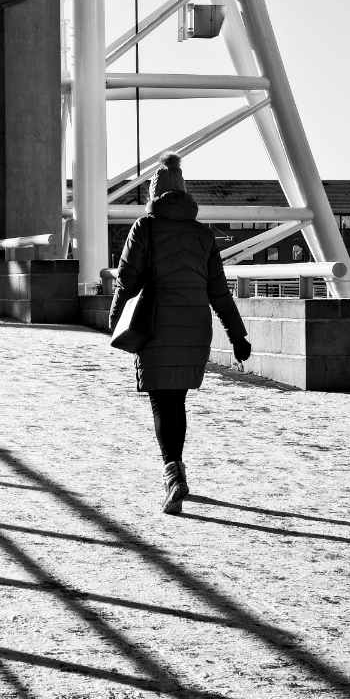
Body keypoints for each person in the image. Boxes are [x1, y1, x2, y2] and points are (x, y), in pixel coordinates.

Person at [109, 154, 254, 514]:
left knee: (161, 401)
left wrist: (114, 318)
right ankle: (178, 469)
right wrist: (238, 336)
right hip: (194, 329)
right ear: (184, 192)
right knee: (178, 401)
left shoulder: (146, 227)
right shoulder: (203, 235)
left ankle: (173, 475)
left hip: (155, 326)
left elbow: (128, 278)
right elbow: (219, 292)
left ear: (155, 192)